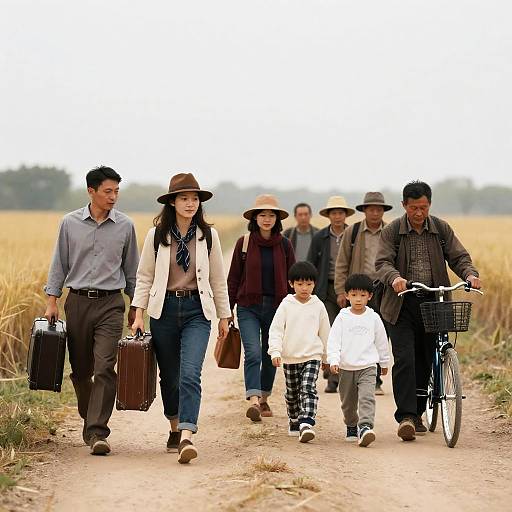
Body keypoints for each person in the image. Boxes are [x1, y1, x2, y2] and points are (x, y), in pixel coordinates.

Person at [131, 173, 230, 464]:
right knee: (170, 378)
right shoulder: (156, 236)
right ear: (172, 202)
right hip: (164, 312)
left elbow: (217, 280)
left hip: (198, 312)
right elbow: (144, 278)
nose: (190, 203)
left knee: (190, 373)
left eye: (195, 198)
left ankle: (187, 434)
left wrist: (225, 315)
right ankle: (174, 426)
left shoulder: (209, 236)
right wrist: (137, 314)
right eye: (184, 198)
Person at [375, 181, 481, 441]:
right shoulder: (392, 231)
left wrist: (470, 274)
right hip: (402, 301)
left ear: (429, 205)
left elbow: (459, 257)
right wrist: (395, 278)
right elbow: (382, 262)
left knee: (425, 358)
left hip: (436, 300)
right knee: (406, 358)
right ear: (404, 206)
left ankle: (419, 413)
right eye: (413, 208)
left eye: (423, 207)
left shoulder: (441, 229)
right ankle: (407, 417)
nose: (419, 213)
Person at [44, 166, 139, 456]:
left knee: (105, 368)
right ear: (91, 191)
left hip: (111, 304)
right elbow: (59, 263)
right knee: (82, 370)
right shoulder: (69, 223)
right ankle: (90, 415)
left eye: (116, 191)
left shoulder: (126, 226)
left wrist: (136, 309)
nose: (113, 197)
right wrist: (52, 300)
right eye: (108, 191)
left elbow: (132, 270)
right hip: (78, 303)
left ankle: (98, 431)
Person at [228, 194, 295, 422]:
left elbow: (293, 280)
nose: (267, 219)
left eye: (271, 215)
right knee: (253, 353)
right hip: (248, 306)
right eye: (262, 214)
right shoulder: (244, 243)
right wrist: (227, 310)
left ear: (277, 219)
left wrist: (296, 310)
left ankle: (264, 396)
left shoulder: (285, 245)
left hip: (277, 308)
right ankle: (254, 400)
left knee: (270, 354)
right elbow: (233, 278)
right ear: (254, 218)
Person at [334, 191, 393, 395]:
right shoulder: (353, 231)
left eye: (379, 209)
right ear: (364, 210)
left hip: (385, 288)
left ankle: (375, 378)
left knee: (381, 331)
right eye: (371, 209)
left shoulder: (390, 231)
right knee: (360, 333)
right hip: (360, 288)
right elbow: (342, 263)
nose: (375, 212)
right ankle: (360, 374)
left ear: (383, 211)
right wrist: (342, 290)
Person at [267, 261, 330, 443]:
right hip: (290, 357)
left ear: (314, 284)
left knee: (307, 388)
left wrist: (327, 357)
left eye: (309, 284)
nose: (304, 288)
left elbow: (326, 332)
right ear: (291, 284)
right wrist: (275, 352)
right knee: (292, 392)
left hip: (312, 355)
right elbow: (276, 330)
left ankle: (306, 422)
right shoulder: (286, 305)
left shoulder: (318, 306)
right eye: (300, 284)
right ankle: (294, 419)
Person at [327, 273, 390, 447]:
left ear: (370, 296)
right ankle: (351, 425)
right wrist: (333, 360)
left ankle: (365, 427)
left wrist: (383, 363)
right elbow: (333, 340)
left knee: (367, 397)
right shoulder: (342, 317)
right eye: (354, 295)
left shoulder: (374, 318)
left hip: (368, 366)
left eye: (363, 295)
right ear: (347, 296)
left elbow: (382, 341)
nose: (358, 299)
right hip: (346, 367)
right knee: (348, 403)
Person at [307, 195, 355, 393]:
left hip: (351, 290)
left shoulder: (353, 235)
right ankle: (333, 379)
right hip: (326, 290)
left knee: (350, 334)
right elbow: (311, 264)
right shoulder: (320, 237)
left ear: (345, 215)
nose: (337, 216)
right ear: (328, 216)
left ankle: (350, 377)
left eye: (341, 212)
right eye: (334, 213)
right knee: (332, 333)